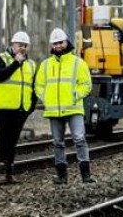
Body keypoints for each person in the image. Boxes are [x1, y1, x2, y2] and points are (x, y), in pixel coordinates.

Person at [34, 27, 94, 184]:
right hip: (54, 111)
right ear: (51, 45)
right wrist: (46, 98)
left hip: (74, 108)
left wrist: (75, 95)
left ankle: (86, 175)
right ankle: (62, 177)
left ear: (66, 42)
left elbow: (86, 84)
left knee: (80, 139)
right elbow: (38, 86)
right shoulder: (45, 65)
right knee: (58, 143)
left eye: (60, 42)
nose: (58, 46)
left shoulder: (78, 63)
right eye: (54, 44)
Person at [0, 31, 36, 184]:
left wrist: (31, 107)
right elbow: (0, 76)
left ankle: (9, 173)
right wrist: (16, 63)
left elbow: (33, 87)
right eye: (19, 45)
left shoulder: (31, 64)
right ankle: (0, 172)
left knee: (13, 141)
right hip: (2, 107)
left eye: (25, 45)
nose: (22, 48)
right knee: (3, 139)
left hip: (21, 109)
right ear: (12, 44)